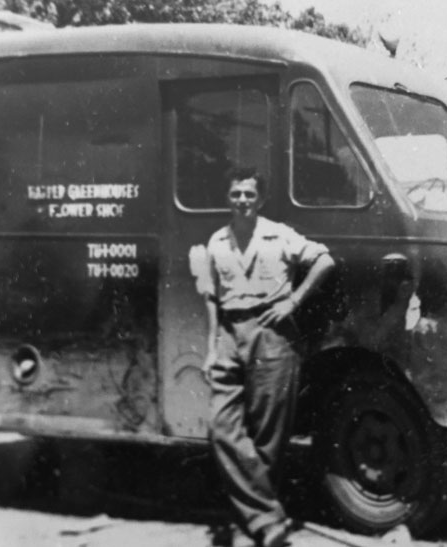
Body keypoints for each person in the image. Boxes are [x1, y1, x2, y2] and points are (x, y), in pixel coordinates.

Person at [199, 167, 335, 547]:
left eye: (248, 194)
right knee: (220, 426)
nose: (242, 200)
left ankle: (255, 527)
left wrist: (294, 300)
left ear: (259, 200)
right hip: (229, 332)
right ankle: (269, 521)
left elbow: (324, 261)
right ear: (228, 199)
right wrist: (211, 347)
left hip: (272, 336)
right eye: (235, 194)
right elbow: (211, 297)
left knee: (268, 436)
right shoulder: (217, 241)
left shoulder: (280, 235)